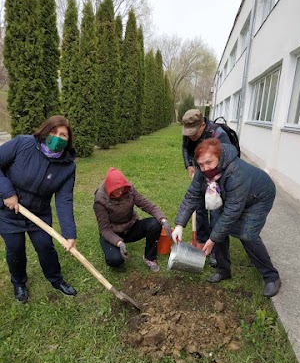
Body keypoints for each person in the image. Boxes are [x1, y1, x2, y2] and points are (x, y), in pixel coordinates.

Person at [171, 138, 281, 298]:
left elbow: (232, 211)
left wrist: (213, 239)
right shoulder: (202, 172)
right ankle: (223, 270)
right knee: (217, 226)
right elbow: (192, 195)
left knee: (247, 234)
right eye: (201, 164)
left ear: (219, 157)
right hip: (226, 194)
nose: (205, 168)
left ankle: (271, 277)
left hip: (258, 196)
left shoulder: (236, 173)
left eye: (209, 162)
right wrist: (180, 225)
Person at [0, 115, 78, 303]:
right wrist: (8, 192)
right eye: (54, 132)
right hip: (9, 211)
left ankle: (56, 280)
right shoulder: (22, 144)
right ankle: (19, 283)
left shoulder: (67, 166)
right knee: (15, 249)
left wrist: (69, 233)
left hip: (39, 213)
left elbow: (64, 200)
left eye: (63, 135)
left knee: (45, 247)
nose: (58, 137)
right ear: (45, 131)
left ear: (68, 140)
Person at [181, 109, 233, 268]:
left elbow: (227, 159)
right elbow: (185, 147)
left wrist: (211, 178)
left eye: (194, 133)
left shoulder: (218, 134)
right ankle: (202, 242)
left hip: (218, 176)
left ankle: (218, 250)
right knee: (199, 207)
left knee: (217, 211)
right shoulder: (189, 131)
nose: (190, 136)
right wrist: (189, 165)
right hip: (201, 173)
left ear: (203, 125)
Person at [93, 167, 172, 272]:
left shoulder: (129, 190)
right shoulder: (100, 200)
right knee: (115, 260)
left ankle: (150, 257)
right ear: (109, 189)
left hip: (130, 227)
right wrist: (118, 242)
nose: (120, 192)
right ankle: (116, 249)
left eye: (122, 189)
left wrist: (163, 220)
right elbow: (104, 229)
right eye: (116, 191)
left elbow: (148, 205)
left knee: (155, 223)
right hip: (112, 232)